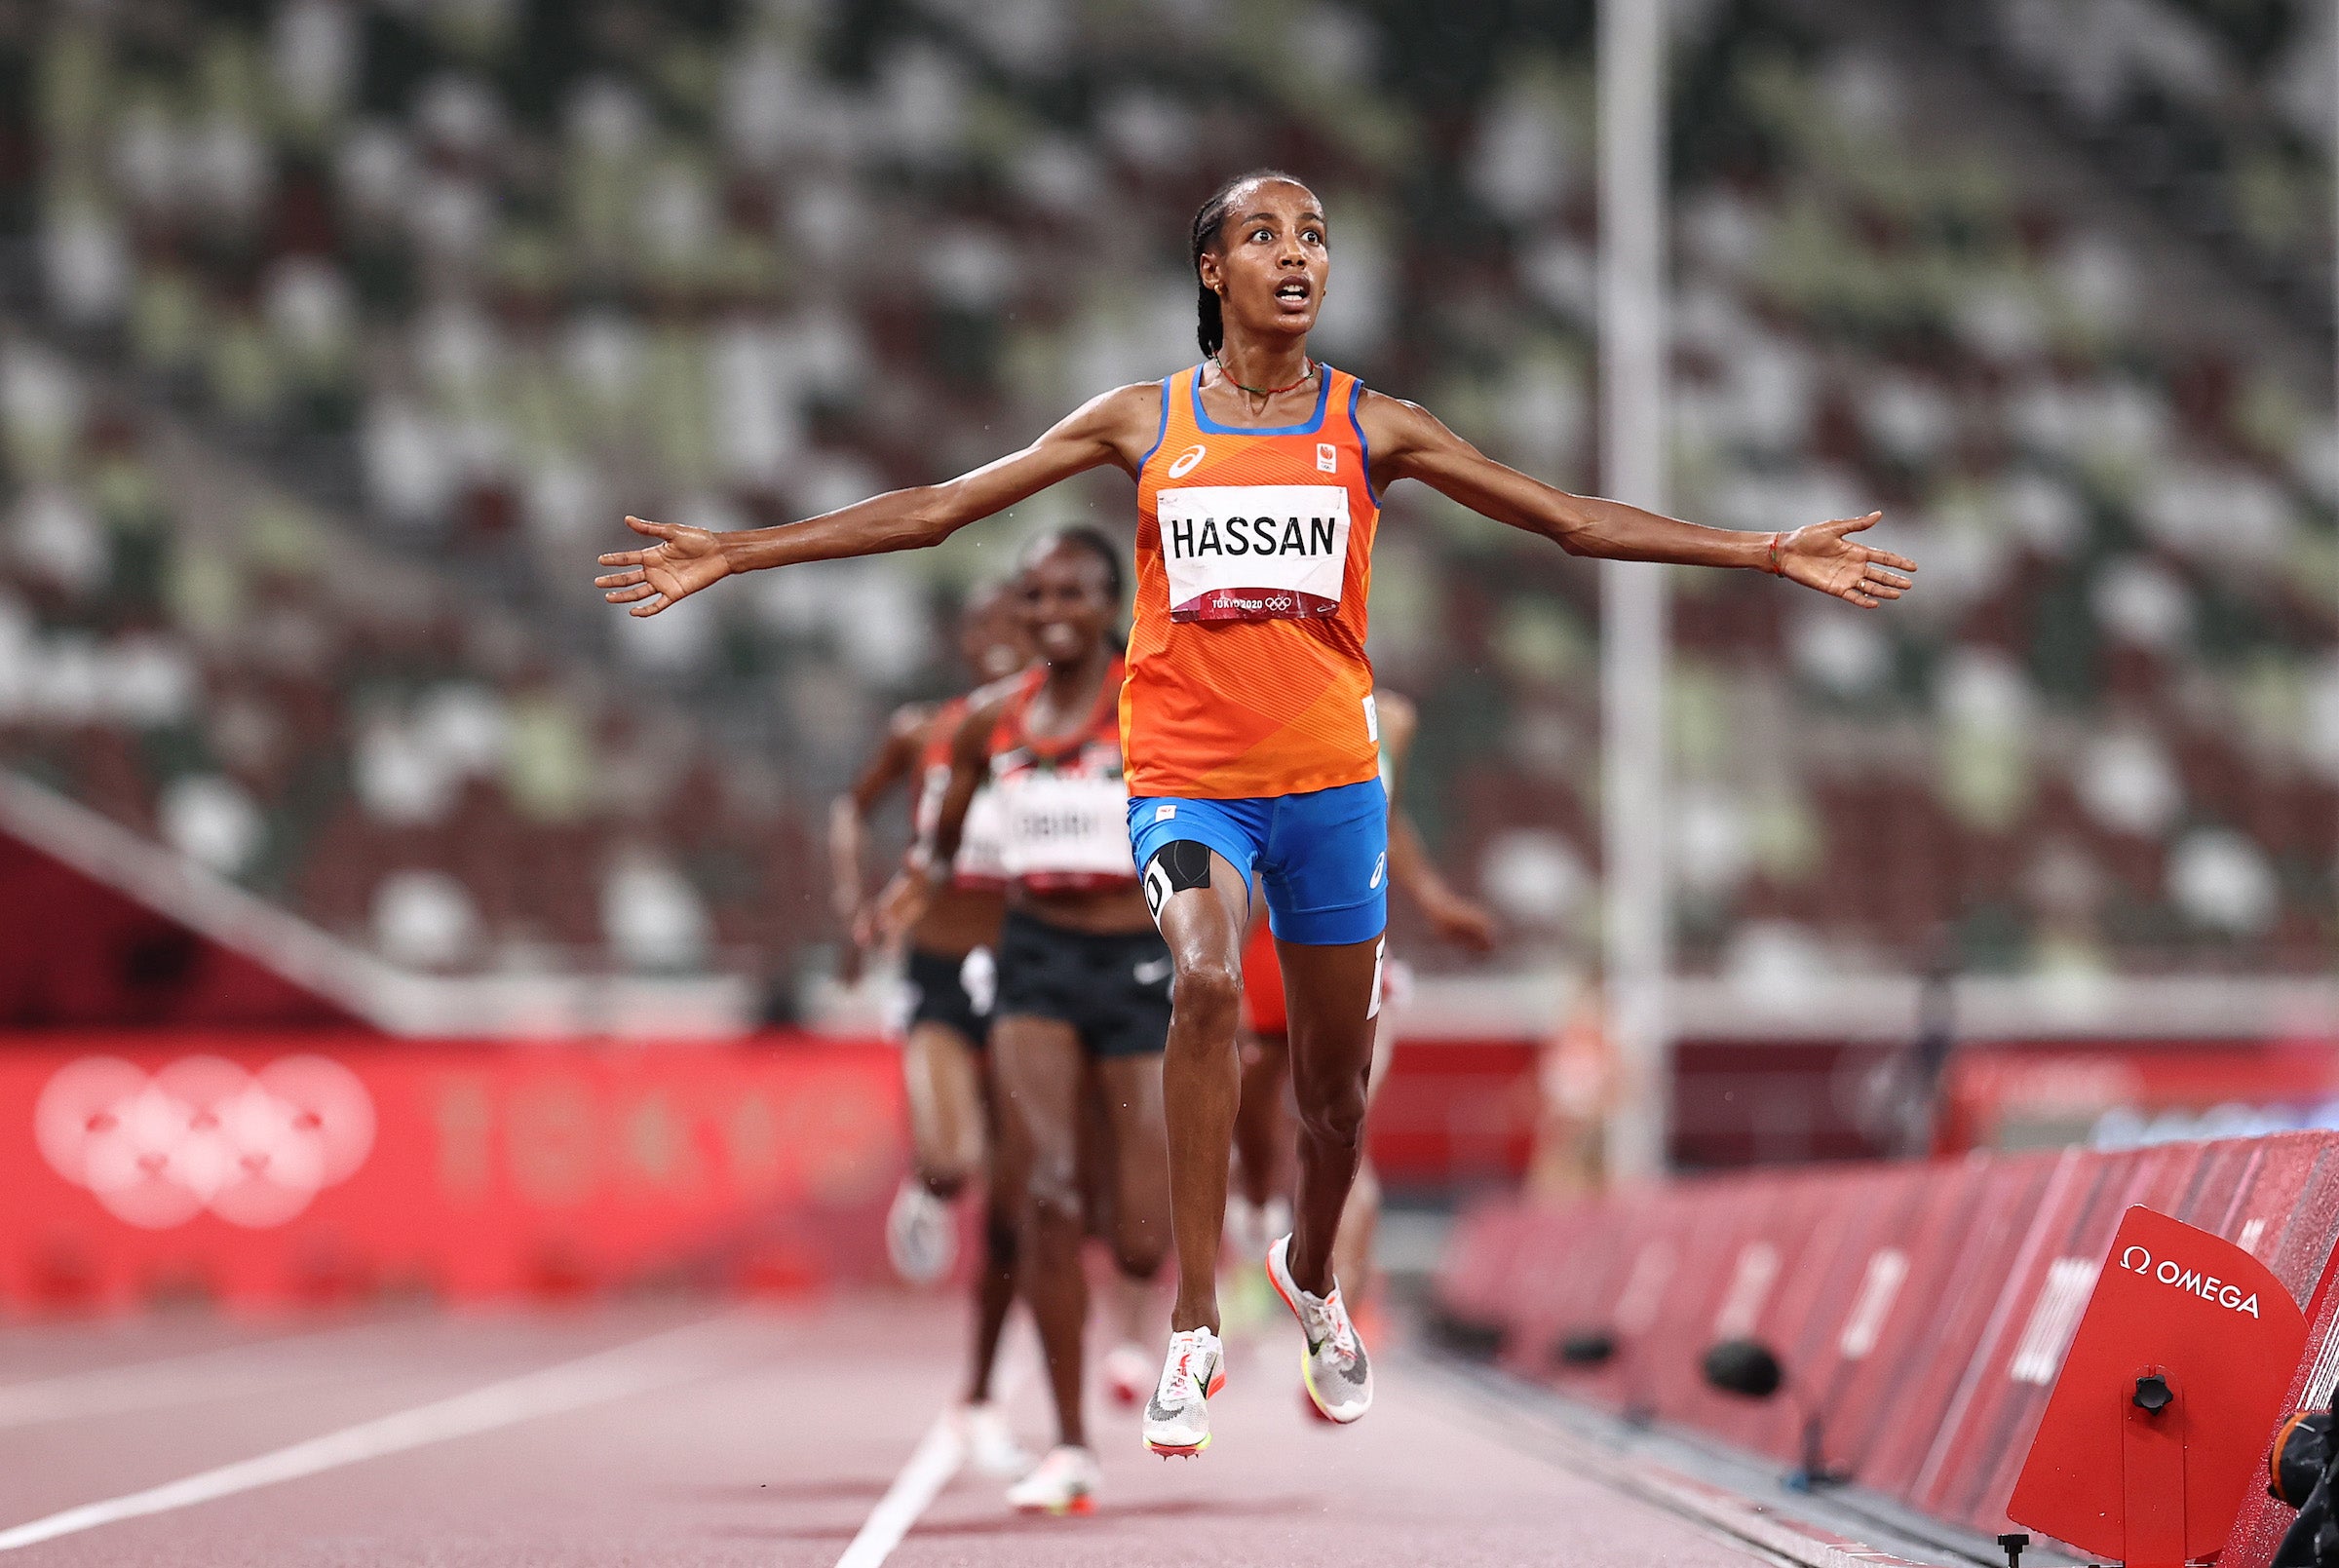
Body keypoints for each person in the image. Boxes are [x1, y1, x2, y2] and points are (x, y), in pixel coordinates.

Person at [594, 170, 1916, 1458]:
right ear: (1212, 271)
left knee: (1335, 1101)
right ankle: (1188, 1324)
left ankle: (1309, 1274)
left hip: (1331, 788)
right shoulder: (1143, 420)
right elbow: (941, 509)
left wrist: (1762, 550)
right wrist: (738, 550)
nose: (1300, 254)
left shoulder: (1373, 426)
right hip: (1186, 779)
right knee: (1209, 984)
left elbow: (1567, 520)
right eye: (1268, 234)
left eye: (1319, 235)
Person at [888, 528, 1173, 1511]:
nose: (1053, 612)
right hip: (1035, 963)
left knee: (1140, 1236)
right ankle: (1070, 1444)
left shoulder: (1156, 700)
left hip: (1138, 962)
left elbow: (1229, 808)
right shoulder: (986, 723)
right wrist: (913, 888)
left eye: (1074, 595)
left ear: (1109, 604)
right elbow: (944, 826)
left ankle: (1136, 1298)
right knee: (1042, 1193)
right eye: (1037, 595)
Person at [826, 583, 1030, 1477]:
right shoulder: (924, 731)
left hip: (1034, 971)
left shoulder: (1070, 735)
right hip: (941, 970)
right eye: (983, 623)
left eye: (1015, 626)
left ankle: (989, 1390)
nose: (998, 638)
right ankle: (929, 1183)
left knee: (1026, 1181)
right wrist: (852, 911)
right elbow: (848, 810)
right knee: (957, 1156)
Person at [1225, 687, 1495, 1338]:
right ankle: (1254, 1237)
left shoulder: (1393, 719)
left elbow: (1386, 819)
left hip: (1351, 942)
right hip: (1261, 945)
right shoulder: (1249, 693)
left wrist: (1433, 899)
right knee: (1253, 1134)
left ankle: (1335, 1310)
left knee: (1340, 1124)